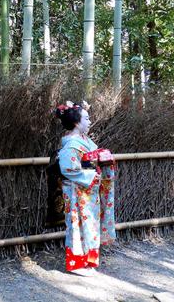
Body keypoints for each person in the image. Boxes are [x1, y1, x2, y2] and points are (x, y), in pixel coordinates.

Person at [55, 100, 116, 276]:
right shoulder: (71, 144)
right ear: (76, 122)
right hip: (76, 189)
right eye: (87, 118)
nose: (89, 122)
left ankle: (89, 261)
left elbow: (92, 159)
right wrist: (91, 173)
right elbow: (68, 168)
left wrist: (102, 158)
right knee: (77, 224)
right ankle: (76, 263)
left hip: (89, 189)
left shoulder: (85, 140)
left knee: (91, 224)